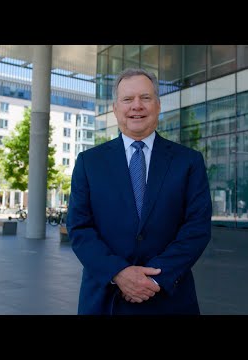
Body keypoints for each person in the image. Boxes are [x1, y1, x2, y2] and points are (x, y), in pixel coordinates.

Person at [67, 68, 212, 315]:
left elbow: (196, 228)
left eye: (145, 98)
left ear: (158, 105)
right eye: (127, 99)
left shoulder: (188, 161)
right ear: (115, 108)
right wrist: (119, 273)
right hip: (105, 300)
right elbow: (79, 227)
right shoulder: (89, 162)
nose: (137, 106)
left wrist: (153, 279)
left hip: (169, 298)